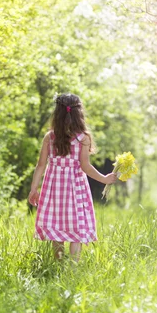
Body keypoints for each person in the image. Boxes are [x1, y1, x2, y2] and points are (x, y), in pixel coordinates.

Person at [28, 93, 118, 261]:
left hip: (53, 187)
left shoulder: (50, 137)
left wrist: (34, 189)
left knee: (57, 224)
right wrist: (104, 179)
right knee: (75, 224)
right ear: (79, 114)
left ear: (57, 114)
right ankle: (73, 268)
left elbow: (40, 165)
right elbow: (85, 166)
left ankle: (59, 262)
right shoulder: (83, 138)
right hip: (74, 187)